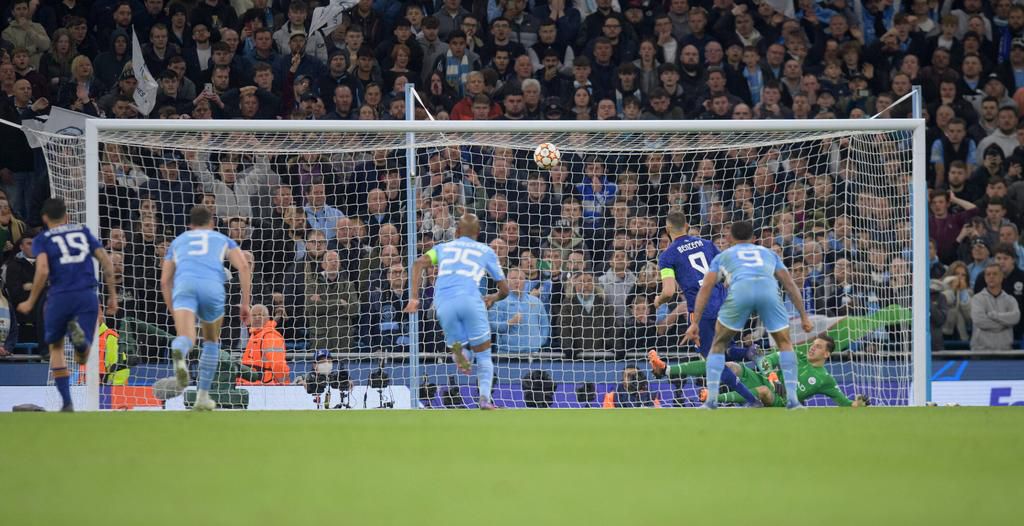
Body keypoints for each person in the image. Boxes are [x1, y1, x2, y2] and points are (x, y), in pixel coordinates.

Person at [683, 220, 814, 409]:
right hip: (768, 292)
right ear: (754, 238)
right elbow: (790, 284)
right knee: (785, 343)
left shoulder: (724, 256)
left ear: (730, 238)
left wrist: (695, 322)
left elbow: (706, 288)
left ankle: (711, 401)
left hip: (740, 293)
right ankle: (793, 400)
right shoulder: (769, 253)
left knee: (718, 345)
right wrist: (804, 316)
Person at [16, 199, 119, 412]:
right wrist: (112, 296)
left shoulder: (43, 238)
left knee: (56, 348)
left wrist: (31, 300)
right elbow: (107, 262)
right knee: (83, 356)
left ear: (44, 219)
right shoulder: (83, 232)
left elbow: (43, 270)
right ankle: (80, 344)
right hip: (86, 296)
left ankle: (67, 402)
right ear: (67, 217)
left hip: (59, 297)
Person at [652, 212, 760, 406]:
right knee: (725, 350)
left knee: (713, 361)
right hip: (726, 305)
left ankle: (752, 399)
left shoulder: (667, 256)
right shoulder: (707, 244)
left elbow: (669, 291)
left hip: (702, 311)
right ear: (686, 225)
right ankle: (749, 353)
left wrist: (658, 301)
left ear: (667, 230)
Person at [405, 213, 509, 410]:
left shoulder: (443, 248)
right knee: (484, 355)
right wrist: (492, 298)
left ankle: (459, 353)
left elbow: (418, 263)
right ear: (478, 233)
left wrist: (414, 298)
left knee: (457, 344)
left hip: (442, 304)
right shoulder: (485, 251)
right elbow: (505, 290)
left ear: (457, 232)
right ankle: (484, 399)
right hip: (470, 300)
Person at [160, 205, 251, 411]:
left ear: (190, 225)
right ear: (212, 223)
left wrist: (173, 309)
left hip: (185, 287)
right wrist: (245, 302)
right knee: (211, 342)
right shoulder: (221, 239)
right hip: (212, 288)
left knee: (187, 337)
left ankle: (178, 350)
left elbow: (165, 281)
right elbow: (244, 266)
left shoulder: (177, 242)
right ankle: (202, 396)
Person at [651, 335, 869, 407]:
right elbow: (766, 360)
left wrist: (857, 403)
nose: (813, 347)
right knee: (727, 365)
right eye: (814, 344)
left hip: (780, 400)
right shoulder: (796, 356)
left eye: (819, 346)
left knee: (764, 390)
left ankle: (714, 397)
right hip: (765, 380)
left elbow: (845, 403)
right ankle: (667, 369)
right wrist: (771, 373)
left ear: (827, 355)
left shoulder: (825, 380)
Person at [489, 267, 550, 354]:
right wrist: (510, 322)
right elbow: (492, 326)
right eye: (513, 278)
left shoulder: (536, 301)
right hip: (507, 354)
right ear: (507, 281)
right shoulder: (499, 302)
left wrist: (540, 341)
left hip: (533, 354)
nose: (517, 281)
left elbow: (545, 325)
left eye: (520, 278)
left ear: (525, 281)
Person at [970, 264, 1021, 351]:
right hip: (980, 351)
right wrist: (1005, 324)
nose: (991, 277)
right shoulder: (977, 299)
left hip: (1005, 350)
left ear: (1002, 277)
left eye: (995, 274)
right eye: (988, 274)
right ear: (985, 278)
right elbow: (979, 321)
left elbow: (1015, 318)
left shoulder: (1010, 299)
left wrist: (995, 316)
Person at [237, 304, 290, 385]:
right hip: (251, 385)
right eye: (254, 315)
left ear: (268, 318)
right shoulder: (254, 335)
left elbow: (278, 365)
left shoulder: (270, 336)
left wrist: (285, 385)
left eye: (261, 315)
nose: (257, 317)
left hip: (265, 388)